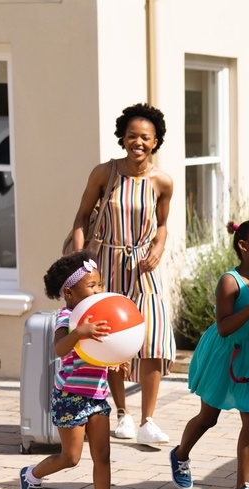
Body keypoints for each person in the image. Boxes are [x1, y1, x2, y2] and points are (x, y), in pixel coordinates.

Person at [68, 103, 176, 445]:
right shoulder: (104, 173)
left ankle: (148, 420)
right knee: (112, 342)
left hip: (144, 269)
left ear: (156, 141)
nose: (138, 142)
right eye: (132, 136)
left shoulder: (162, 181)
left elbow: (162, 225)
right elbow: (81, 218)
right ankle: (122, 414)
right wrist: (86, 262)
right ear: (123, 138)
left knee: (153, 342)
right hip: (107, 266)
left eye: (145, 137)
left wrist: (158, 248)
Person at [169, 219, 249, 489]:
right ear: (243, 246)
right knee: (208, 417)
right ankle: (180, 456)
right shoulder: (229, 281)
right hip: (224, 354)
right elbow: (224, 327)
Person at [20, 251, 133, 489]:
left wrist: (117, 361)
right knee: (70, 457)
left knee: (102, 455)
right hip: (70, 396)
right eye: (92, 286)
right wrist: (80, 332)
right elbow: (59, 348)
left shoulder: (100, 314)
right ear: (69, 292)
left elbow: (105, 350)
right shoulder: (68, 317)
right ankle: (31, 475)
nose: (99, 290)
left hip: (96, 395)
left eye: (100, 284)